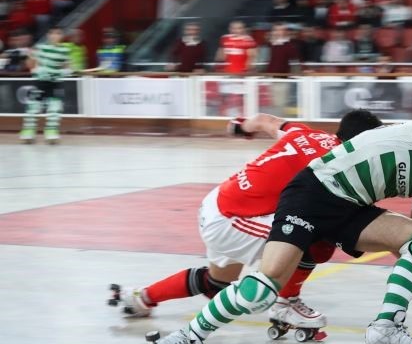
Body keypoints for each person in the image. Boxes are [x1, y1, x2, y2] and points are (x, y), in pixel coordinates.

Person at [144, 111, 412, 344]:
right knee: (262, 288)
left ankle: (386, 327)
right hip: (314, 191)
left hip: (351, 206)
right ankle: (187, 338)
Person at [113, 110, 383, 331]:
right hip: (232, 220)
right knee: (315, 236)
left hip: (219, 201)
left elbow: (265, 119)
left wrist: (240, 126)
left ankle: (141, 298)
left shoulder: (306, 132)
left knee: (215, 283)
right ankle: (286, 304)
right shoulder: (335, 163)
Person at [19, 25, 70, 144]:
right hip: (40, 82)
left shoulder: (65, 50)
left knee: (55, 108)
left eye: (58, 33)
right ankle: (28, 131)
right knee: (33, 107)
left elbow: (67, 66)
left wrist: (63, 72)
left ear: (61, 36)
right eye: (52, 33)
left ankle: (51, 131)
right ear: (48, 35)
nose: (54, 36)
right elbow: (30, 65)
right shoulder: (41, 48)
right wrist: (31, 59)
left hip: (56, 83)